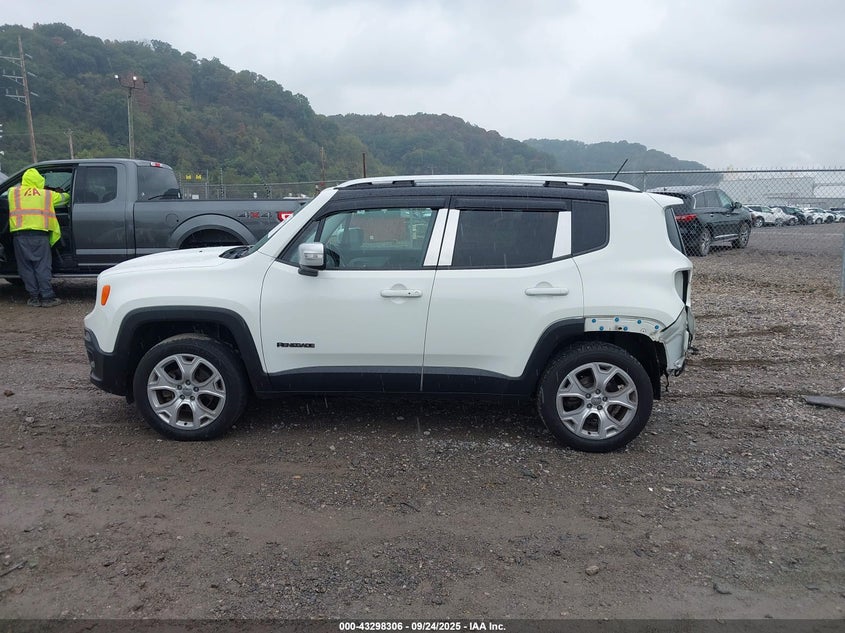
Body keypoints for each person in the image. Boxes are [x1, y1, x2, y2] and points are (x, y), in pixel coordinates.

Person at [8, 168, 70, 307]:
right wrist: (58, 191)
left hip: (20, 237)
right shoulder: (47, 195)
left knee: (26, 268)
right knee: (42, 266)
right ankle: (48, 298)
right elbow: (66, 197)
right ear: (39, 181)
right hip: (39, 236)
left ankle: (34, 298)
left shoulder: (13, 193)